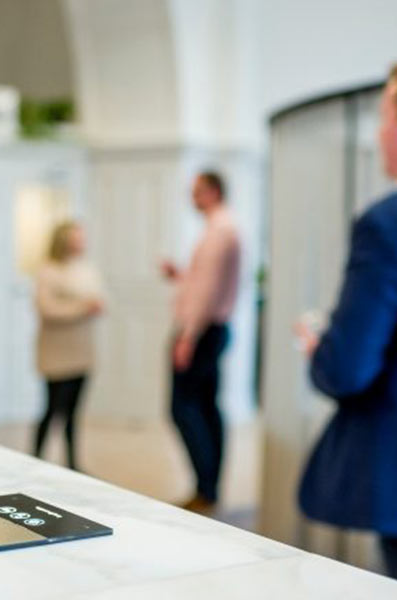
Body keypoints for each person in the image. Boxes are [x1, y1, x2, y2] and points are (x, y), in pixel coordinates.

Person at [295, 61, 397, 595]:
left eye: (384, 117)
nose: (378, 134)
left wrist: (318, 349)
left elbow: (348, 368)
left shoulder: (396, 220)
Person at [162, 171, 240, 513]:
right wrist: (181, 275)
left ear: (212, 192)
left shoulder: (219, 232)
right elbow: (205, 282)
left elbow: (206, 292)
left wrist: (187, 336)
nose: (192, 199)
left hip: (201, 330)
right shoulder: (223, 228)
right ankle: (208, 487)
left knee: (184, 408)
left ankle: (205, 487)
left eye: (196, 192)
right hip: (212, 328)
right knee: (208, 407)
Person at [33, 221, 104, 471]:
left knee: (74, 413)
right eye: (75, 238)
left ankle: (73, 463)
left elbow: (100, 299)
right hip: (56, 351)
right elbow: (47, 309)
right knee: (53, 409)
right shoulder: (48, 271)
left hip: (82, 349)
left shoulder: (87, 269)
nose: (80, 243)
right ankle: (35, 458)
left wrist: (92, 307)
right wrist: (82, 308)